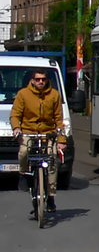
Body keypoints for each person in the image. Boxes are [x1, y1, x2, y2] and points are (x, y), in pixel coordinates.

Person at [11, 69, 65, 216]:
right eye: (38, 79)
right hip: (29, 131)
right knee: (23, 152)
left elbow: (59, 119)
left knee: (52, 160)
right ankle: (23, 173)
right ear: (33, 80)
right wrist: (16, 129)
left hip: (48, 133)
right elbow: (15, 114)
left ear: (47, 80)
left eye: (43, 79)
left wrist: (61, 139)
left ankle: (51, 197)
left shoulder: (54, 94)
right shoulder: (23, 94)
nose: (41, 82)